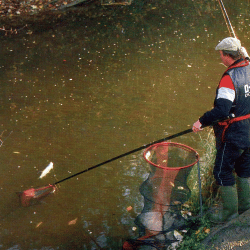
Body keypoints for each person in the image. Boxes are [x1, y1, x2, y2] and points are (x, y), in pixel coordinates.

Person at [192, 37, 250, 223]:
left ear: (227, 56)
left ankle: (230, 215)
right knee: (244, 169)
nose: (220, 58)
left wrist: (201, 121)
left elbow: (222, 110)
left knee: (222, 172)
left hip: (233, 135)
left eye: (221, 54)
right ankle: (246, 209)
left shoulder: (229, 78)